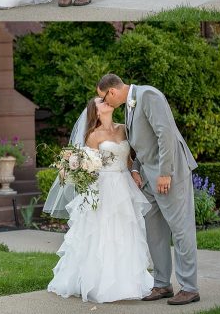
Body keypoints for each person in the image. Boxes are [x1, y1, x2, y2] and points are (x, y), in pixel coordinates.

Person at [98, 73, 201, 306]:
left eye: (104, 99)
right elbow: (139, 145)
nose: (105, 104)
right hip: (147, 178)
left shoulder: (149, 95)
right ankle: (162, 284)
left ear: (112, 92)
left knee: (181, 229)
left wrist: (165, 172)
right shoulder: (129, 106)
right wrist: (135, 169)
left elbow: (165, 135)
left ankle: (189, 288)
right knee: (154, 233)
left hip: (169, 174)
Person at [46, 95, 154, 303]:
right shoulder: (93, 136)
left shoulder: (123, 128)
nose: (106, 102)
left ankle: (129, 281)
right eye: (100, 102)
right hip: (103, 187)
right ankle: (101, 282)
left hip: (124, 185)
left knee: (126, 230)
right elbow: (88, 166)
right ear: (95, 111)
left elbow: (130, 157)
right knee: (104, 231)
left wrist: (134, 171)